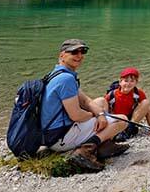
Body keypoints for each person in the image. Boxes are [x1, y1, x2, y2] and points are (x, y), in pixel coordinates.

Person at [40, 39, 129, 172]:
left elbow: (85, 100)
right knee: (122, 119)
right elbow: (76, 115)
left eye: (83, 51)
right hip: (60, 138)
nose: (80, 55)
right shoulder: (66, 79)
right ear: (62, 55)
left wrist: (100, 114)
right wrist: (98, 116)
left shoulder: (57, 73)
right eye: (74, 52)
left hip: (51, 133)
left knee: (100, 102)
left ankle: (104, 145)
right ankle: (85, 150)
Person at [94, 67, 150, 142]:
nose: (128, 84)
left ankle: (128, 130)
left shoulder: (138, 93)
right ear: (120, 82)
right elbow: (104, 108)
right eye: (126, 81)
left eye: (132, 81)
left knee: (146, 102)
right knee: (100, 101)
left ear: (136, 83)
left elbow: (147, 110)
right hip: (117, 121)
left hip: (131, 121)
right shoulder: (112, 95)